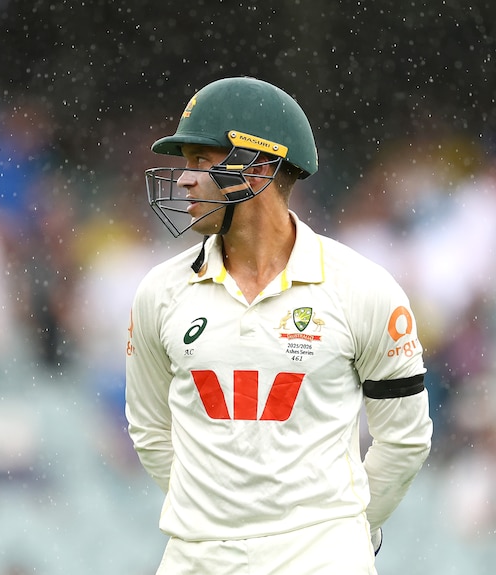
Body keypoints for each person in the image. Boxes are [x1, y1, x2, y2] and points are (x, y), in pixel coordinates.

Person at [125, 76, 433, 574]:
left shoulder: (363, 289)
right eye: (184, 163)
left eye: (202, 161)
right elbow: (151, 431)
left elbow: (404, 441)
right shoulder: (159, 293)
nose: (183, 179)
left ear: (258, 167)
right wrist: (222, 522)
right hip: (196, 560)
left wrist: (340, 530)